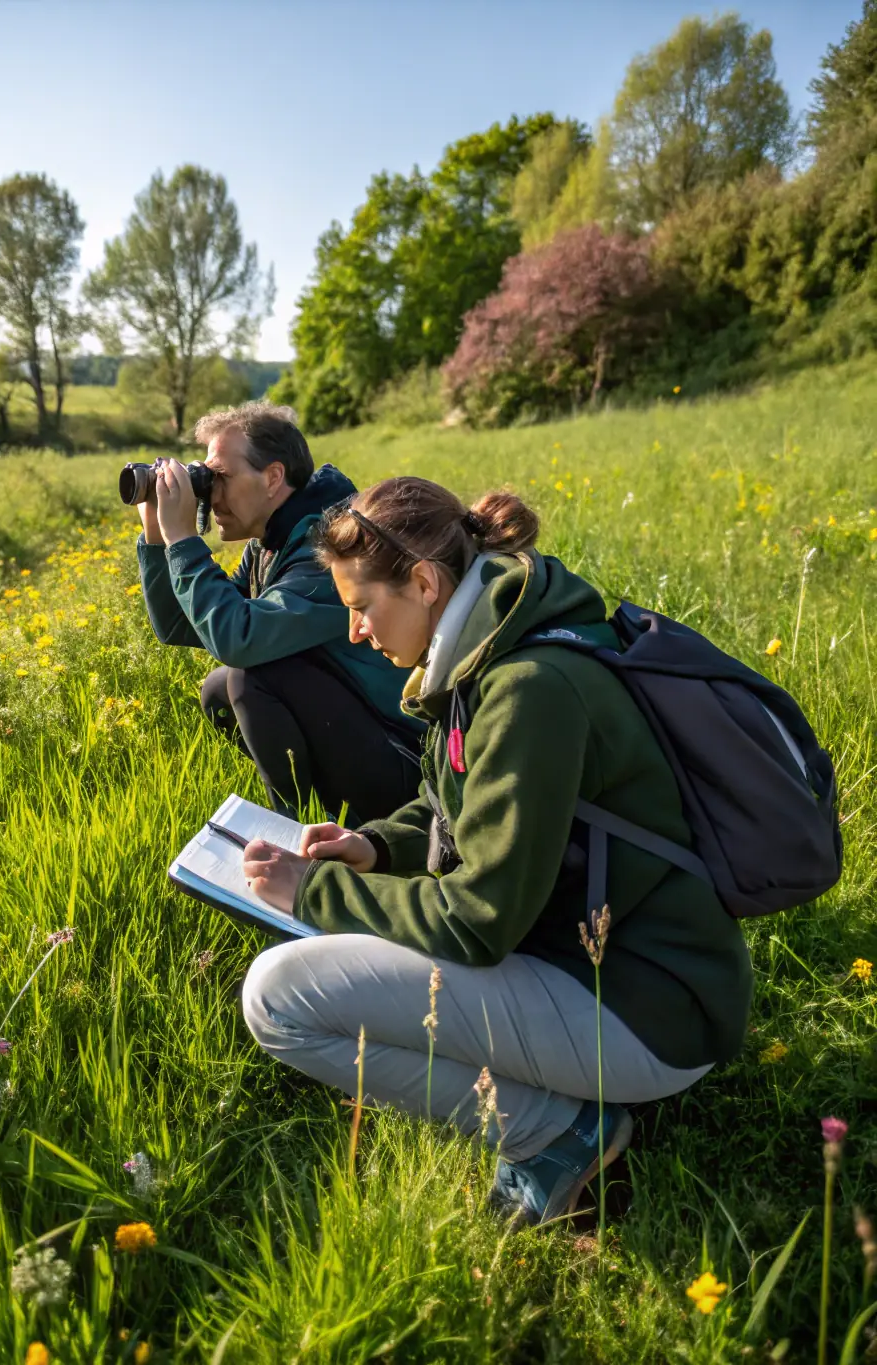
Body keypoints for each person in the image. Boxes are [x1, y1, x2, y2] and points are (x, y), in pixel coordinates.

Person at [237, 476, 754, 1227]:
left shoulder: (527, 688)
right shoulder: (493, 647)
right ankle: (560, 1110)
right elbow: (455, 803)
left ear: (422, 581)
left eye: (360, 607)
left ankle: (559, 1131)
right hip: (607, 973)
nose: (354, 632)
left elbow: (478, 919)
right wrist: (375, 846)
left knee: (279, 997)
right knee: (309, 974)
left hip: (652, 1013)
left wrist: (311, 893)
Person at [136, 403, 424, 824]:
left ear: (273, 477)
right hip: (371, 732)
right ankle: (326, 816)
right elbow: (181, 624)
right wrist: (158, 536)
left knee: (251, 677)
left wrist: (184, 540)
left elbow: (239, 638)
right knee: (220, 690)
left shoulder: (331, 548)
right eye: (205, 477)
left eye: (220, 478)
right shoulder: (274, 542)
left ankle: (302, 837)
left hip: (411, 761)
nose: (210, 494)